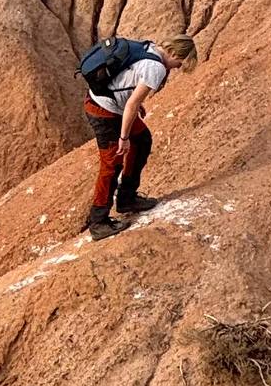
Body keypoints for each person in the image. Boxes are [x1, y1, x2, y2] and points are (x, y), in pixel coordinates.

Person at [82, 34, 197, 239]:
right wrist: (124, 138)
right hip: (104, 110)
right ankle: (98, 221)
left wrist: (134, 105)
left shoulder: (150, 47)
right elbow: (132, 104)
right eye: (178, 63)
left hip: (109, 103)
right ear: (173, 53)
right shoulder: (157, 68)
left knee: (143, 140)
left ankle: (127, 198)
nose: (177, 67)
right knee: (112, 163)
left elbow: (129, 82)